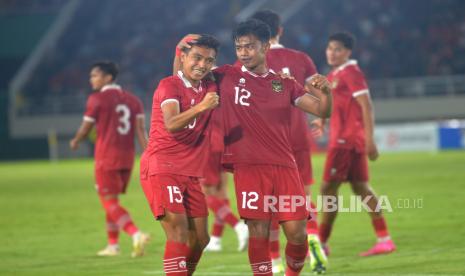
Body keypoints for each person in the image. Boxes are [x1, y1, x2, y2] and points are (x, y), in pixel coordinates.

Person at [175, 19, 332, 276]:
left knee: (297, 233)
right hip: (248, 168)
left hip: (285, 166)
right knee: (258, 231)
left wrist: (326, 93)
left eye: (250, 46)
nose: (244, 52)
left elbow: (321, 109)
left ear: (266, 46)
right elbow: (183, 77)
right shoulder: (225, 75)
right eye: (239, 47)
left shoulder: (285, 83)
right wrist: (182, 48)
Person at [250, 10, 327, 273]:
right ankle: (314, 237)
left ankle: (273, 259)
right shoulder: (300, 58)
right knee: (302, 197)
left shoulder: (253, 59)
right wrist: (321, 121)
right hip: (298, 135)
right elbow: (318, 97)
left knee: (271, 203)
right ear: (280, 30)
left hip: (268, 142)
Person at [140, 35, 220, 275]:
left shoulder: (209, 86)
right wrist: (202, 107)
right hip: (162, 167)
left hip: (190, 172)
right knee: (178, 233)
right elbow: (172, 123)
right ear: (183, 57)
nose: (202, 64)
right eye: (197, 57)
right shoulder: (169, 85)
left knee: (201, 238)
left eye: (209, 60)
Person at [313, 32, 396, 257]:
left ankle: (321, 242)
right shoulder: (334, 74)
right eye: (330, 48)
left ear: (348, 52)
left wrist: (370, 140)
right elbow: (331, 102)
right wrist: (322, 120)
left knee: (327, 189)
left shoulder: (352, 73)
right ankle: (384, 239)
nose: (332, 52)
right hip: (346, 139)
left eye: (337, 49)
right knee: (361, 187)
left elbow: (366, 105)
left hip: (345, 141)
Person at [70, 61, 150, 257]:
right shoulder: (133, 100)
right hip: (127, 157)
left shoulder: (96, 99)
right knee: (112, 199)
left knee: (108, 202)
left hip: (106, 156)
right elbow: (140, 130)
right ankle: (113, 245)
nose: (92, 79)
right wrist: (148, 151)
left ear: (108, 77)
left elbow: (86, 127)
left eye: (95, 75)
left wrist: (76, 140)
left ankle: (135, 233)